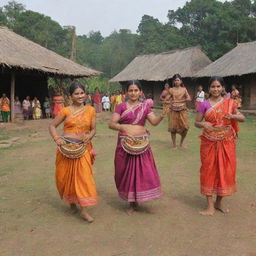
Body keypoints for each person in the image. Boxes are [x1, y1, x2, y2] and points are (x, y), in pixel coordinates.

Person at [109, 80, 167, 214]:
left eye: (136, 90)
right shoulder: (121, 107)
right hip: (125, 144)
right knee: (125, 172)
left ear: (140, 92)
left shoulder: (145, 107)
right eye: (130, 90)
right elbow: (111, 124)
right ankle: (131, 203)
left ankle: (138, 199)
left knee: (142, 172)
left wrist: (163, 115)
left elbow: (153, 122)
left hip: (142, 145)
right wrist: (123, 127)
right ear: (126, 92)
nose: (133, 93)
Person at [195, 76, 245, 216]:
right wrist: (203, 124)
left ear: (223, 88)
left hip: (226, 142)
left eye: (218, 86)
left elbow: (242, 118)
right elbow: (196, 122)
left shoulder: (230, 103)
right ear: (209, 88)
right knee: (208, 170)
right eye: (213, 86)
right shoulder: (203, 104)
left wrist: (233, 116)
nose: (216, 89)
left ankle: (219, 202)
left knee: (226, 171)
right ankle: (210, 206)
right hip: (209, 142)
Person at [49, 81, 97, 222]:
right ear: (71, 96)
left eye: (82, 93)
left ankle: (84, 210)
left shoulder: (90, 110)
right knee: (65, 177)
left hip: (83, 149)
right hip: (65, 150)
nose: (80, 95)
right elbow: (52, 126)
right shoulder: (65, 111)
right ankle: (71, 203)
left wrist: (90, 135)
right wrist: (57, 138)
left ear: (86, 94)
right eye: (76, 93)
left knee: (84, 178)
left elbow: (93, 129)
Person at [167, 74, 191, 148]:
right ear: (173, 82)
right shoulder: (171, 90)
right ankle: (174, 145)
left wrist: (181, 100)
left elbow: (189, 98)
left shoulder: (184, 89)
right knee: (173, 128)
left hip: (182, 110)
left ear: (181, 81)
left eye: (178, 80)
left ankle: (181, 143)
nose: (177, 81)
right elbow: (166, 99)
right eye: (175, 80)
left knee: (185, 127)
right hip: (173, 110)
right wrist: (170, 101)